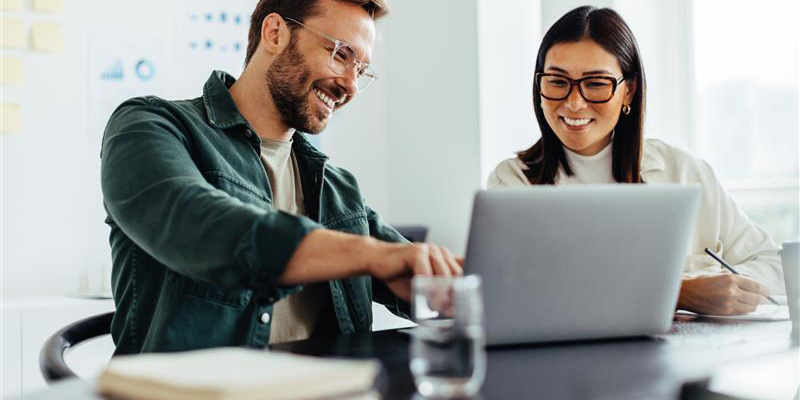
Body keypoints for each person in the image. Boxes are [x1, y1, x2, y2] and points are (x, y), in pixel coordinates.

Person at [101, 0, 462, 354]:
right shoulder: (150, 126)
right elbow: (200, 224)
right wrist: (370, 254)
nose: (350, 85)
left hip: (332, 383)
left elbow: (407, 266)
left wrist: (454, 281)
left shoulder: (338, 188)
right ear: (275, 33)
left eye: (362, 70)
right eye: (340, 54)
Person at [487, 6, 783, 316]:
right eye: (558, 82)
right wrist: (679, 292)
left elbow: (773, 266)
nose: (574, 102)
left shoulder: (683, 171)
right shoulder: (512, 183)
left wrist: (725, 288)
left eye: (596, 84)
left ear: (628, 91)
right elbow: (516, 291)